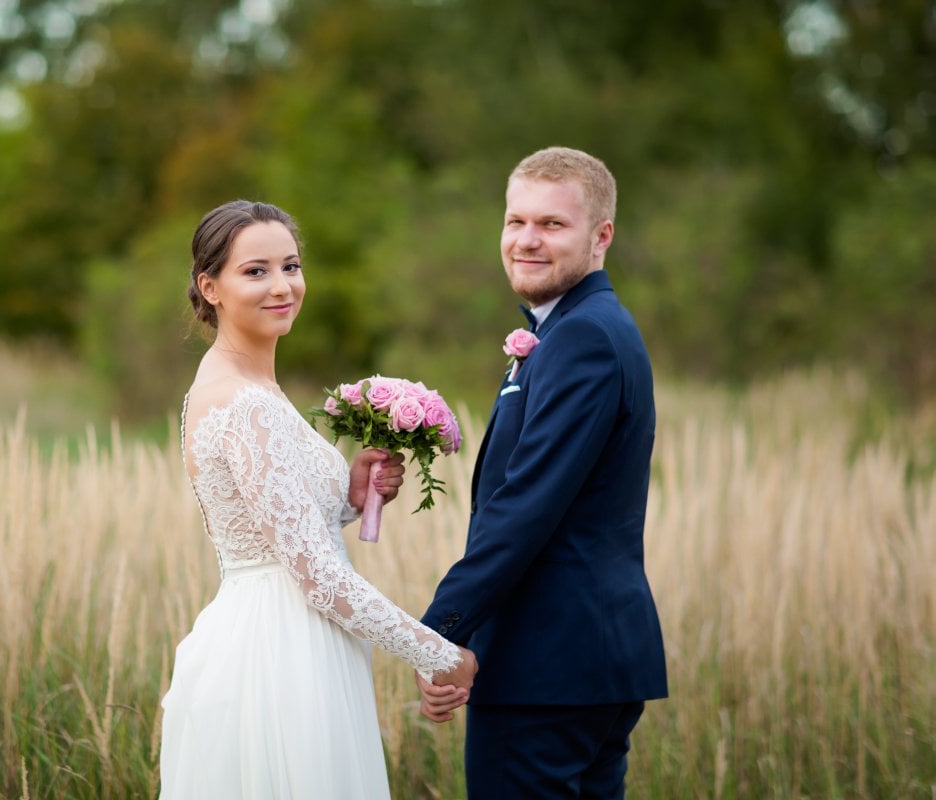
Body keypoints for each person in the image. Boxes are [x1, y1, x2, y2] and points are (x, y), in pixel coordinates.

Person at [159, 199, 477, 799]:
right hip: (280, 654)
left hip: (286, 633)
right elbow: (320, 579)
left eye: (291, 266)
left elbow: (279, 521)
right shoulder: (244, 402)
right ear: (211, 286)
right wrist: (438, 653)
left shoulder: (249, 385)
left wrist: (348, 497)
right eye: (255, 271)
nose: (282, 286)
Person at [415, 147, 668, 798]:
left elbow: (524, 506)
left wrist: (439, 633)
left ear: (600, 235)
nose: (527, 240)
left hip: (548, 664)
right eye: (515, 221)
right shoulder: (567, 332)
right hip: (580, 662)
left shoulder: (585, 337)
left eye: (552, 225)